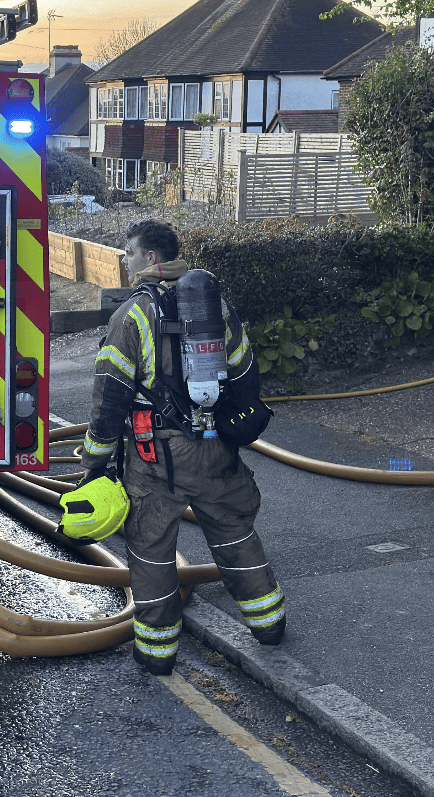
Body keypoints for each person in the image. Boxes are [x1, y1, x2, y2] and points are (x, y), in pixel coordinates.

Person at [81, 218, 285, 675]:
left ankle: (157, 656)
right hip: (215, 447)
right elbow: (246, 375)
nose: (124, 259)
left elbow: (109, 399)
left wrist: (94, 463)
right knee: (234, 534)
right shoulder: (215, 307)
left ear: (151, 258)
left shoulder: (131, 315)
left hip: (156, 459)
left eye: (129, 251)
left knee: (151, 550)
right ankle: (270, 624)